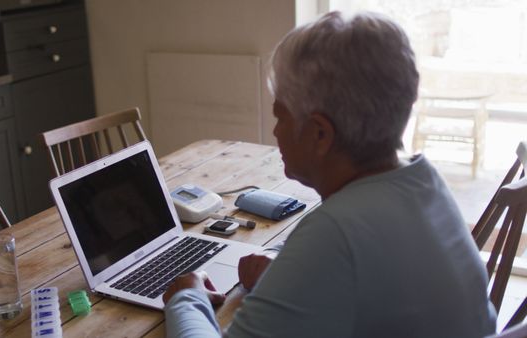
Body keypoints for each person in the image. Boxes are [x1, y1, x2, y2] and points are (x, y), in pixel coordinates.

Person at [162, 11, 497, 338]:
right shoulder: (425, 181)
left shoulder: (333, 233)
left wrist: (186, 297)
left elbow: (337, 254)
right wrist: (287, 274)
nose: (276, 132)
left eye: (281, 116)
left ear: (320, 134)